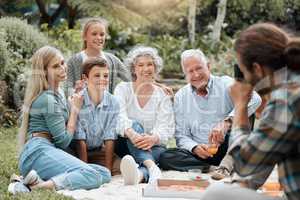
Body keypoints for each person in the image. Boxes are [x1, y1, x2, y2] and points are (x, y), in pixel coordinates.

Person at [201, 23, 300, 200]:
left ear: (257, 69)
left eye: (243, 72)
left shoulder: (285, 100)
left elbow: (244, 165)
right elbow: (267, 151)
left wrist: (240, 106)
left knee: (217, 194)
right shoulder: (293, 85)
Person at [8, 46, 111, 194]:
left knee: (104, 173)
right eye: (56, 66)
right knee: (92, 175)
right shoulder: (47, 99)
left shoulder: (59, 93)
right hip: (37, 152)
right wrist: (74, 110)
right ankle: (31, 187)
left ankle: (37, 180)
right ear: (44, 72)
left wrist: (76, 98)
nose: (63, 68)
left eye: (63, 63)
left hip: (48, 150)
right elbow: (63, 140)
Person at [159, 49, 261, 173]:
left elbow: (255, 98)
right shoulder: (181, 96)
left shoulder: (225, 83)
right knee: (166, 156)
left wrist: (226, 122)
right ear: (185, 74)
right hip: (202, 155)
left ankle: (227, 163)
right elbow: (181, 136)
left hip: (228, 147)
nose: (196, 75)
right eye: (190, 71)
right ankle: (212, 168)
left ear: (208, 66)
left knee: (243, 112)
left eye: (199, 68)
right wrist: (195, 147)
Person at [114, 46, 175, 185]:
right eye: (140, 65)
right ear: (134, 69)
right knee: (133, 124)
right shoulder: (123, 89)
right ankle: (152, 167)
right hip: (125, 143)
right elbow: (119, 117)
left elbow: (166, 127)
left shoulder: (162, 95)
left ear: (155, 67)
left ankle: (139, 175)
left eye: (149, 64)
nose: (146, 68)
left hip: (154, 146)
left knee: (157, 153)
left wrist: (153, 138)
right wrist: (131, 133)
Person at [71, 57, 120, 175]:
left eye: (106, 76)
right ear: (85, 78)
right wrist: (85, 169)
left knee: (121, 165)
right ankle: (85, 170)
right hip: (77, 152)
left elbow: (110, 137)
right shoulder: (78, 100)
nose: (102, 79)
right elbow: (79, 138)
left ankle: (102, 169)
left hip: (98, 151)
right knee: (75, 168)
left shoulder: (113, 102)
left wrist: (108, 170)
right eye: (97, 75)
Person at [65, 17, 131, 96]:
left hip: (107, 107)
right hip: (83, 107)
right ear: (84, 37)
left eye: (102, 34)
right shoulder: (74, 61)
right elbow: (67, 88)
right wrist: (76, 91)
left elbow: (130, 79)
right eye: (94, 34)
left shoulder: (112, 60)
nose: (99, 38)